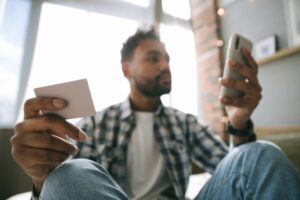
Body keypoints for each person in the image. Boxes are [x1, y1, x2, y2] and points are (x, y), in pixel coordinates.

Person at [11, 28, 300, 200]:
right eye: (153, 59)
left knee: (262, 153)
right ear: (126, 70)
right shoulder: (96, 124)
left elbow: (238, 172)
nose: (165, 66)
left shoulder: (183, 122)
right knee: (69, 173)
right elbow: (69, 188)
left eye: (167, 59)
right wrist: (41, 178)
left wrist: (238, 122)